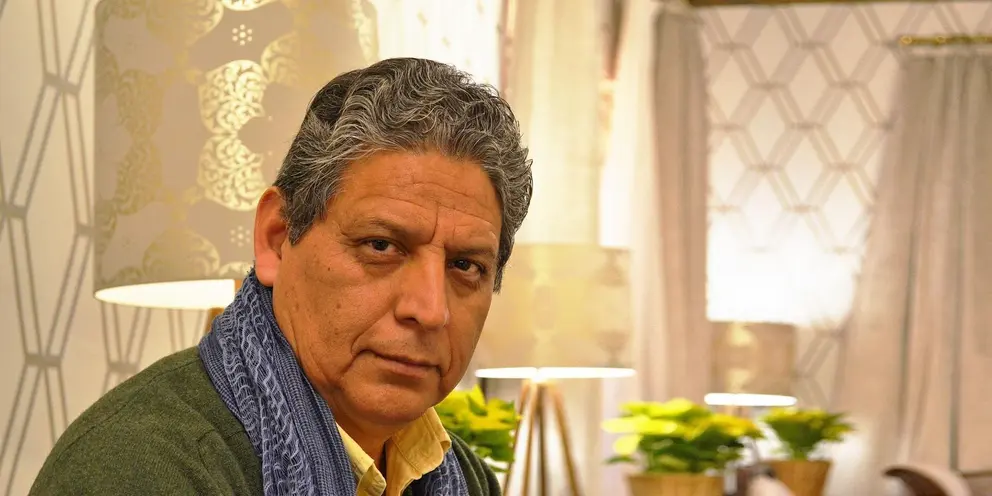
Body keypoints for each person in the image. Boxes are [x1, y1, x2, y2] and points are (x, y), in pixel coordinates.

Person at [30, 58, 533, 496]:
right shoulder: (140, 467)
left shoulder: (465, 477)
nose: (429, 309)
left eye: (465, 266)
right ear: (276, 238)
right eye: (381, 246)